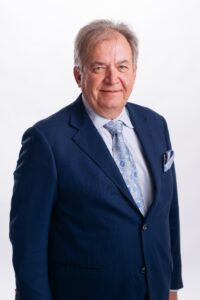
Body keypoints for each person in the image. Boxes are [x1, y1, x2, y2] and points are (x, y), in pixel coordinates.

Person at [9, 19, 183, 300]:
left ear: (135, 73)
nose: (113, 79)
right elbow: (29, 245)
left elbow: (167, 214)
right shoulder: (46, 141)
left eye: (122, 67)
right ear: (79, 75)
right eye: (99, 67)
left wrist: (172, 284)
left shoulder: (155, 124)